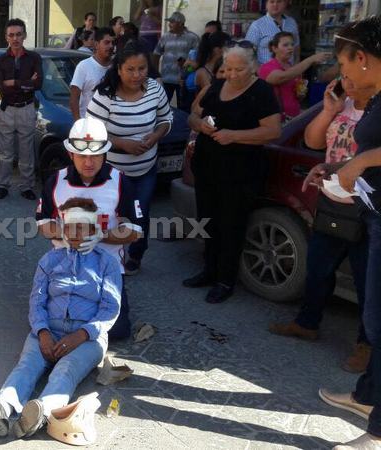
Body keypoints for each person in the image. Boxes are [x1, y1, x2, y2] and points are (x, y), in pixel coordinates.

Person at [0, 196, 122, 439]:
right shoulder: (50, 260)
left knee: (65, 369)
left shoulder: (108, 264)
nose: (75, 232)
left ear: (94, 229)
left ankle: (41, 413)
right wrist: (42, 333)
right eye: (70, 226)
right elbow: (37, 302)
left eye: (82, 226)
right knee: (27, 365)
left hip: (88, 339)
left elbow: (110, 309)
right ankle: (1, 410)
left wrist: (80, 335)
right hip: (47, 332)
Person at [269, 76, 374, 373]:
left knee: (367, 281)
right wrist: (329, 110)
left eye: (350, 69)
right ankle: (307, 323)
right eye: (342, 71)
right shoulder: (343, 105)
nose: (345, 78)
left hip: (365, 206)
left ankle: (366, 345)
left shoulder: (376, 113)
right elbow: (313, 142)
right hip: (330, 200)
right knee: (317, 269)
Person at [313, 16, 381, 449]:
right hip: (375, 215)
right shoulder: (374, 99)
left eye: (343, 63)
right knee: (376, 322)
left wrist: (360, 161)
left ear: (361, 57)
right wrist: (338, 167)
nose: (342, 75)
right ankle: (367, 397)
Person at [184, 42, 282, 304]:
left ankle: (225, 280)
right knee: (206, 221)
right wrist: (200, 125)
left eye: (240, 69)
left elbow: (273, 131)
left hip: (240, 173)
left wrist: (235, 136)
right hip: (208, 168)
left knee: (231, 226)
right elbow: (192, 115)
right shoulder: (216, 85)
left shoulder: (261, 91)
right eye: (229, 69)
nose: (233, 74)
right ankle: (209, 270)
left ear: (252, 67)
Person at [36, 117, 141, 340]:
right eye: (82, 156)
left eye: (95, 156)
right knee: (54, 325)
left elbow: (136, 230)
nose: (88, 162)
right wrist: (63, 233)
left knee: (118, 332)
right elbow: (42, 223)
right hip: (63, 265)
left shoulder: (121, 182)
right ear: (71, 154)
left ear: (104, 154)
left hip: (107, 267)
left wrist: (101, 236)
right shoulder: (55, 181)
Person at [87, 41, 173, 276]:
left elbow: (167, 119)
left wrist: (156, 135)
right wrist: (123, 143)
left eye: (142, 69)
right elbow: (91, 132)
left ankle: (135, 255)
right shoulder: (104, 95)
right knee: (107, 214)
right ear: (119, 69)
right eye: (131, 69)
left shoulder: (155, 89)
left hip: (145, 170)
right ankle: (101, 254)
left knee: (140, 214)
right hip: (111, 173)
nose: (137, 75)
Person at [0, 18, 43, 201]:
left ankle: (27, 186)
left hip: (26, 108)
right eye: (11, 35)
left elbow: (38, 84)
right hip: (7, 109)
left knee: (26, 151)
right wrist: (26, 83)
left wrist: (13, 82)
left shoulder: (34, 58)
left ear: (25, 36)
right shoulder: (0, 61)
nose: (15, 38)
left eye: (18, 34)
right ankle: (3, 185)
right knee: (5, 152)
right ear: (6, 37)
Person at [258, 31, 331, 121]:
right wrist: (310, 59)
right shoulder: (267, 67)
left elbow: (295, 95)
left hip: (293, 116)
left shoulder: (292, 67)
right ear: (274, 48)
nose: (290, 48)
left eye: (292, 45)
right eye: (285, 45)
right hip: (276, 119)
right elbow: (282, 77)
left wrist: (300, 94)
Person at [153, 12, 199, 112]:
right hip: (166, 78)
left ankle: (182, 126)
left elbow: (198, 58)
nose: (169, 24)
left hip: (183, 80)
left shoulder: (192, 37)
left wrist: (188, 64)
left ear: (181, 23)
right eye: (169, 22)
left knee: (183, 108)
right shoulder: (165, 37)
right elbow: (156, 54)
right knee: (161, 106)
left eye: (172, 22)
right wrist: (156, 74)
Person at [69, 28, 115, 121]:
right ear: (97, 44)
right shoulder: (84, 66)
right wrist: (78, 122)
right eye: (106, 42)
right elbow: (74, 98)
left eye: (113, 43)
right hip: (89, 124)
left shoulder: (117, 67)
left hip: (112, 124)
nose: (111, 46)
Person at [245, 0, 299, 65]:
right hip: (267, 72)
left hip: (290, 71)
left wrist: (296, 66)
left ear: (284, 4)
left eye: (279, 1)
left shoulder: (292, 22)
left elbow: (296, 46)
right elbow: (248, 52)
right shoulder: (257, 25)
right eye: (272, 2)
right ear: (266, 5)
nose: (275, 5)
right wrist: (258, 70)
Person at [186, 31, 229, 102]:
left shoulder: (219, 68)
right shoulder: (203, 72)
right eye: (227, 47)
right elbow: (214, 95)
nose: (230, 50)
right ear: (217, 50)